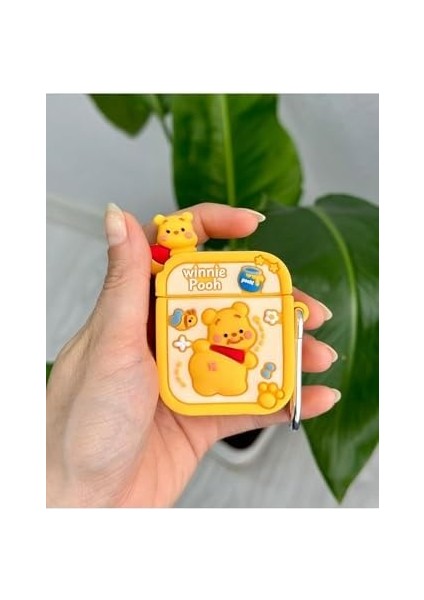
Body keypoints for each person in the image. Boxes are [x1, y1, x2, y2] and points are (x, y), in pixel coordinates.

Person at [46, 203, 340, 507]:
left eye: (240, 332)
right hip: (190, 388)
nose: (235, 337)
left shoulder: (191, 277)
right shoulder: (177, 274)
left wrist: (79, 495)